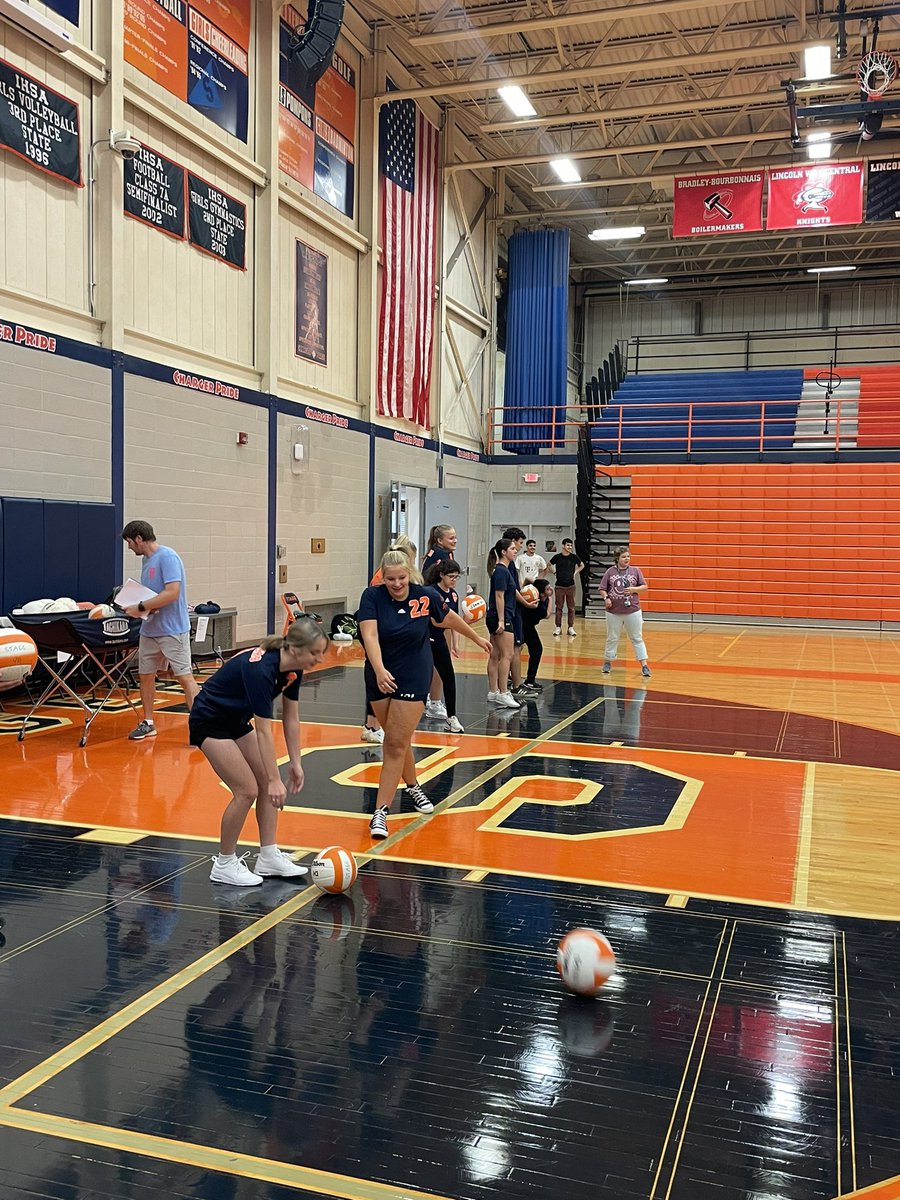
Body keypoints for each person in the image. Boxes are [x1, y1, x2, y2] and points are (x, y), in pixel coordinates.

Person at [358, 549, 491, 839]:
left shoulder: (425, 596)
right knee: (399, 740)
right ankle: (414, 787)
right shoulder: (371, 597)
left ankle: (380, 812)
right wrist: (379, 670)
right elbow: (369, 635)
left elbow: (448, 618)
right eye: (390, 579)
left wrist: (477, 637)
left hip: (414, 673)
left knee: (393, 743)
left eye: (401, 578)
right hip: (380, 676)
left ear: (410, 575)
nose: (396, 584)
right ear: (382, 576)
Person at [192, 615, 328, 886]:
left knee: (267, 782)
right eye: (315, 653)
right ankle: (224, 863)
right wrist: (276, 779)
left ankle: (268, 855)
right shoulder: (262, 670)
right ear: (294, 647)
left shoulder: (293, 668)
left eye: (321, 653)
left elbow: (291, 719)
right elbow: (265, 730)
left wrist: (296, 762)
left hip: (235, 720)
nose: (319, 659)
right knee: (247, 790)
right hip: (210, 720)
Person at [121, 519, 199, 740]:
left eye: (129, 542)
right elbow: (157, 595)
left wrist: (142, 606)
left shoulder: (167, 557)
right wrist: (143, 606)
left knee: (185, 678)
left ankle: (201, 724)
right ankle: (148, 722)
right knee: (145, 675)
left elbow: (173, 592)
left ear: (138, 539)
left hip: (172, 629)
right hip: (150, 629)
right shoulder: (147, 560)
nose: (129, 547)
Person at [363, 535, 417, 743]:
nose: (397, 583)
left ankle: (373, 725)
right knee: (377, 676)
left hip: (393, 637)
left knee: (384, 680)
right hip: (379, 633)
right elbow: (371, 630)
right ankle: (371, 725)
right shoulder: (377, 588)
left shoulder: (413, 586)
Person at [423, 558, 465, 733]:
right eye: (451, 576)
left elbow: (452, 618)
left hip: (439, 640)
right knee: (421, 676)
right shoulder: (430, 592)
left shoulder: (453, 595)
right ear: (441, 575)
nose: (454, 580)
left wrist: (455, 643)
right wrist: (460, 623)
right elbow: (435, 620)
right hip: (423, 640)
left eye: (457, 577)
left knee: (448, 676)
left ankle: (452, 717)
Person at [598, 546, 651, 678]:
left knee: (637, 637)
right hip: (613, 612)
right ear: (617, 559)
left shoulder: (635, 571)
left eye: (628, 556)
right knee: (612, 637)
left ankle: (644, 665)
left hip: (632, 610)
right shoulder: (610, 572)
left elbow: (644, 587)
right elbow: (602, 588)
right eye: (623, 557)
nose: (627, 559)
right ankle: (608, 662)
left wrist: (634, 589)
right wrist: (606, 598)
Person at [485, 538, 522, 709]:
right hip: (502, 616)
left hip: (496, 615)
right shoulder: (501, 571)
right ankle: (503, 692)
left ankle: (493, 692)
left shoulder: (503, 570)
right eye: (512, 548)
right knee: (507, 655)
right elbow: (499, 596)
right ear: (503, 552)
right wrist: (502, 619)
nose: (515, 551)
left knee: (495, 655)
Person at [519, 577, 552, 690]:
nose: (550, 590)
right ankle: (529, 680)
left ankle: (528, 680)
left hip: (526, 626)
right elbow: (548, 615)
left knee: (535, 650)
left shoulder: (539, 598)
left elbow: (528, 579)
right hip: (522, 626)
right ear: (542, 593)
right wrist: (551, 600)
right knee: (534, 650)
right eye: (548, 589)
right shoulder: (538, 607)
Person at [549, 537, 584, 638]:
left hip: (571, 586)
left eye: (571, 545)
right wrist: (554, 572)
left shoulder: (574, 557)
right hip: (559, 586)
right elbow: (549, 565)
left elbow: (582, 565)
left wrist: (575, 572)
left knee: (571, 608)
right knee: (559, 607)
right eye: (568, 545)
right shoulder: (557, 557)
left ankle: (570, 627)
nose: (570, 547)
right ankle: (558, 627)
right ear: (563, 546)